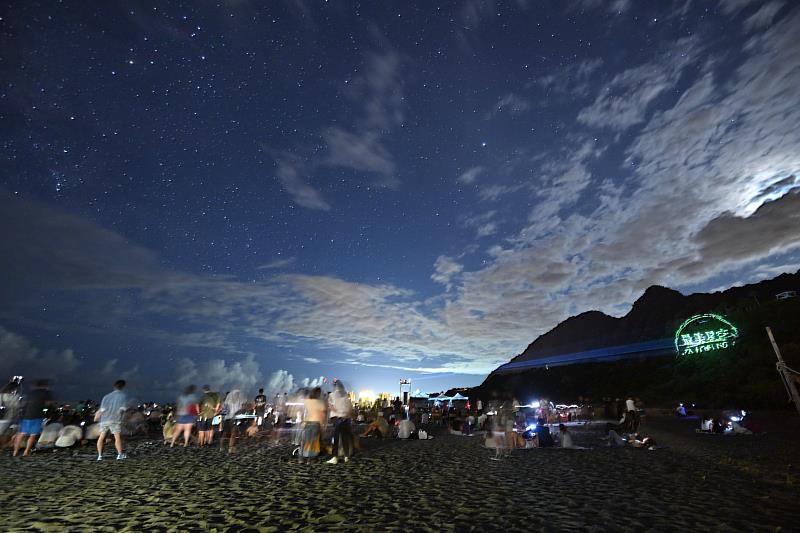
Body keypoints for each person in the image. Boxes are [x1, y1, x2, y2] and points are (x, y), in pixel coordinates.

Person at [13, 379, 54, 457]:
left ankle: (15, 452)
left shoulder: (31, 393)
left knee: (21, 434)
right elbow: (49, 403)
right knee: (33, 435)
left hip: (26, 415)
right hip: (37, 415)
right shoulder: (46, 392)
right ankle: (26, 451)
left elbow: (24, 403)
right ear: (45, 386)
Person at [96, 379, 129, 460]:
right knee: (117, 438)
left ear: (114, 386)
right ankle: (119, 455)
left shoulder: (106, 396)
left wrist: (97, 417)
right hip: (115, 420)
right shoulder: (123, 396)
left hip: (104, 419)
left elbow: (102, 410)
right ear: (123, 387)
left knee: (101, 437)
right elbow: (122, 409)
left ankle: (100, 456)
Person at [326, 381, 353, 464]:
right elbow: (350, 407)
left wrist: (337, 412)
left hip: (337, 419)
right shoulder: (346, 395)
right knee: (345, 438)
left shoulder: (331, 395)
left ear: (335, 386)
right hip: (346, 419)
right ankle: (346, 456)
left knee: (335, 439)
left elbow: (331, 407)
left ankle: (335, 457)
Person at [300, 387, 325, 463]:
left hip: (307, 422)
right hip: (316, 423)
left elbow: (302, 411)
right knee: (313, 442)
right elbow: (321, 415)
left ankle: (301, 458)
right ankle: (310, 459)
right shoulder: (320, 402)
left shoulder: (307, 401)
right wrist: (322, 425)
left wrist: (302, 421)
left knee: (305, 441)